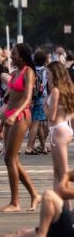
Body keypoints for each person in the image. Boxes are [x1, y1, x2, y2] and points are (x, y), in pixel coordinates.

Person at [0, 43, 40, 212]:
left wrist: (15, 114)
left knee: (9, 159)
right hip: (10, 116)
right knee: (12, 159)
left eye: (14, 54)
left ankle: (15, 202)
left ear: (22, 56)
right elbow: (9, 100)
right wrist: (1, 123)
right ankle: (34, 194)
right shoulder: (15, 73)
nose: (11, 57)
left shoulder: (28, 72)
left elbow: (28, 97)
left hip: (21, 116)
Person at [45, 61, 74, 193]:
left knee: (62, 174)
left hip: (58, 130)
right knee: (58, 173)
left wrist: (44, 106)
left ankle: (65, 209)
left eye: (48, 73)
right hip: (61, 128)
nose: (46, 76)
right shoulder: (66, 89)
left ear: (54, 74)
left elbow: (51, 116)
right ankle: (61, 208)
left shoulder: (56, 91)